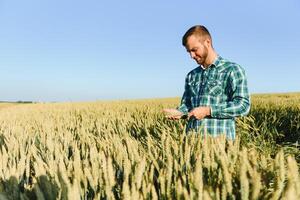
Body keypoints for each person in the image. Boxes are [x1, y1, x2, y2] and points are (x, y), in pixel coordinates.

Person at [163, 25, 250, 140]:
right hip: (193, 145)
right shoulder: (192, 75)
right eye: (189, 52)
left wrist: (208, 111)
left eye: (194, 50)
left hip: (221, 147)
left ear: (207, 43)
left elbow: (243, 106)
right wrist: (179, 112)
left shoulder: (232, 70)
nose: (191, 56)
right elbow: (188, 105)